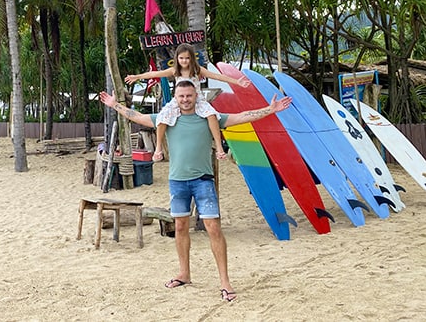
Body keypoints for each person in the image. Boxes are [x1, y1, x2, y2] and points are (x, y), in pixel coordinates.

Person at [100, 80, 291, 303]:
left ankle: (225, 282)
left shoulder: (208, 116)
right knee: (180, 226)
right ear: (176, 97)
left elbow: (242, 116)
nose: (185, 100)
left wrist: (271, 109)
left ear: (196, 96)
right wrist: (115, 105)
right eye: (181, 96)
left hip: (203, 181)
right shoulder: (168, 117)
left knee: (213, 228)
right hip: (177, 182)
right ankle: (184, 273)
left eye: (189, 96)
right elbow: (137, 116)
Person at [125, 43, 250, 160]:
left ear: (192, 58)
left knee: (212, 115)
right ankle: (158, 149)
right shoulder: (175, 70)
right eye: (181, 58)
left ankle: (219, 147)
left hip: (197, 99)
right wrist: (137, 77)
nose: (184, 61)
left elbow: (217, 76)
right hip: (179, 100)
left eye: (187, 58)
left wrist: (237, 82)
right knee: (162, 117)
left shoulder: (197, 70)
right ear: (177, 59)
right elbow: (156, 74)